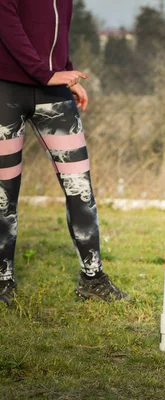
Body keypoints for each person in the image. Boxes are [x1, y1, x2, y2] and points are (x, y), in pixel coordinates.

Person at [0, 0, 131, 305]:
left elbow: (56, 32)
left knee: (80, 187)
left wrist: (65, 73)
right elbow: (7, 24)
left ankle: (92, 279)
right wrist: (44, 73)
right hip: (6, 88)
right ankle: (3, 279)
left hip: (53, 93)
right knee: (4, 193)